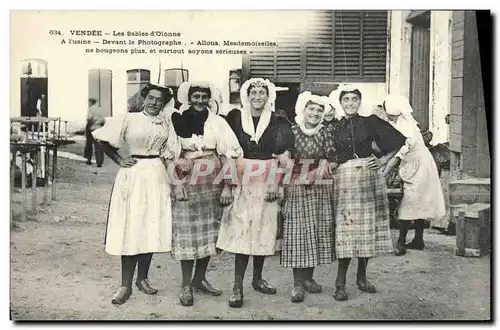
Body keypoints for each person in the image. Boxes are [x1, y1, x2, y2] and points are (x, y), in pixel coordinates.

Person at [92, 83, 180, 305]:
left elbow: (170, 152)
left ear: (164, 103)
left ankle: (143, 278)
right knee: (131, 227)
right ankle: (125, 285)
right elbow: (100, 139)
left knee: (150, 227)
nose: (154, 103)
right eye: (150, 98)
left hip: (157, 175)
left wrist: (175, 181)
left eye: (159, 100)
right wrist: (120, 159)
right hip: (133, 174)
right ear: (143, 98)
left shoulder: (166, 122)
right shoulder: (128, 118)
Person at [217, 78, 294, 308]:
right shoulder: (234, 118)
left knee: (263, 229)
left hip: (267, 177)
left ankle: (257, 278)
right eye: (254, 93)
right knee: (243, 231)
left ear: (268, 96)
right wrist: (228, 184)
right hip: (242, 177)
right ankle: (237, 286)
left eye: (262, 93)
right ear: (247, 96)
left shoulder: (278, 120)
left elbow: (285, 154)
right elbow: (227, 152)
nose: (258, 97)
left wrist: (276, 183)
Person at [170, 81, 243, 307]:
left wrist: (228, 185)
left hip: (213, 179)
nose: (200, 100)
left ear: (209, 99)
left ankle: (199, 279)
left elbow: (228, 154)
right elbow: (171, 154)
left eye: (204, 96)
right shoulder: (177, 121)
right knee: (187, 233)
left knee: (209, 233)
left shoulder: (218, 122)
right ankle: (185, 285)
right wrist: (177, 184)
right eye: (196, 96)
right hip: (187, 177)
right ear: (188, 98)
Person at [331, 84, 407, 301]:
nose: (350, 104)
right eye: (346, 100)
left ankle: (362, 278)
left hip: (367, 176)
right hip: (343, 178)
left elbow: (400, 141)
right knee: (346, 229)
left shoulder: (370, 122)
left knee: (366, 229)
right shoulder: (335, 126)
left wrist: (383, 160)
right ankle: (340, 282)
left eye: (354, 99)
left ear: (359, 101)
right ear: (341, 103)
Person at [281, 91, 338, 303]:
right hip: (296, 184)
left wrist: (314, 174)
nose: (315, 113)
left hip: (319, 186)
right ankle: (297, 283)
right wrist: (292, 176)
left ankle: (308, 277)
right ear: (303, 110)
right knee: (298, 232)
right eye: (311, 108)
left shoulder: (327, 132)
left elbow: (333, 159)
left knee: (315, 230)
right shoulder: (292, 130)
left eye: (319, 109)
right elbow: (284, 154)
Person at [382, 95, 446, 255]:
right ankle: (418, 239)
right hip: (418, 164)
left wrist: (383, 174)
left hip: (420, 167)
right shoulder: (403, 123)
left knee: (410, 201)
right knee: (418, 201)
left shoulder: (405, 128)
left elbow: (397, 155)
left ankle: (401, 243)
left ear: (391, 111)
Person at [85, 98, 106, 167]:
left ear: (91, 102)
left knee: (89, 145)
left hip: (92, 128)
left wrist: (88, 127)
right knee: (98, 146)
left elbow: (89, 119)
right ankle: (99, 162)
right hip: (99, 128)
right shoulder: (100, 109)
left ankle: (89, 160)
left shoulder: (91, 109)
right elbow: (103, 120)